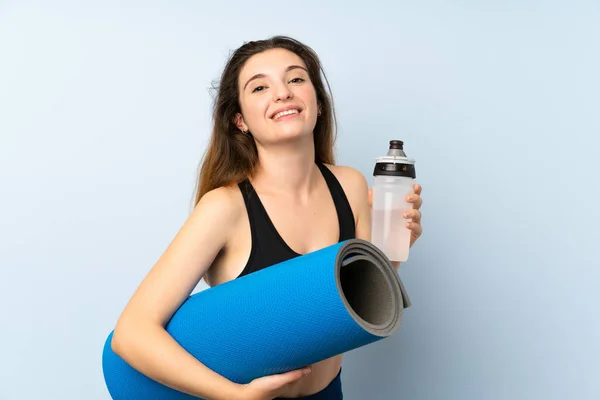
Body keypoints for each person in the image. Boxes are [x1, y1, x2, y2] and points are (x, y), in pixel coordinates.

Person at [110, 35, 424, 400]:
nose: (282, 93)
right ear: (240, 120)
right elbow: (131, 333)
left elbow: (361, 306)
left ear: (318, 103)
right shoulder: (224, 208)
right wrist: (233, 396)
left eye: (295, 79)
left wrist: (395, 251)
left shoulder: (350, 184)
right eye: (260, 86)